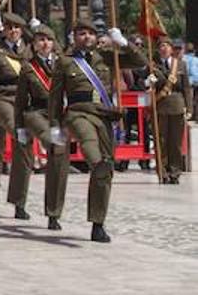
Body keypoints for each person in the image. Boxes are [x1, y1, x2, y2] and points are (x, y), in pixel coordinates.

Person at [48, 20, 146, 243]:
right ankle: (94, 162)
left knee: (106, 168)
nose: (87, 37)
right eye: (82, 34)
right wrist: (54, 126)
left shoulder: (106, 57)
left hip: (103, 115)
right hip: (77, 112)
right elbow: (55, 96)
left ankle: (98, 223)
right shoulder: (65, 61)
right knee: (90, 146)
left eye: (91, 34)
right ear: (74, 37)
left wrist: (123, 43)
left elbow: (140, 61)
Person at [13, 24, 68, 228]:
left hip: (58, 114)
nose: (45, 44)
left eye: (48, 40)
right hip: (36, 112)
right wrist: (19, 126)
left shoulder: (63, 63)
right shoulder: (28, 67)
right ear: (34, 45)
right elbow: (20, 99)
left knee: (60, 156)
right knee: (53, 143)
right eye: (40, 40)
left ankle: (53, 213)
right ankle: (19, 201)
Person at [0, 11, 31, 212]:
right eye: (9, 28)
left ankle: (19, 201)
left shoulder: (29, 51)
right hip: (1, 99)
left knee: (21, 146)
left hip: (24, 100)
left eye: (17, 28)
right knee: (4, 143)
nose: (13, 31)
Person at [148, 37, 191, 185]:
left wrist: (189, 107)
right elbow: (144, 83)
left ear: (172, 49)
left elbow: (186, 87)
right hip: (160, 107)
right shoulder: (153, 65)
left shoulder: (181, 65)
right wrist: (149, 81)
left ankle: (175, 172)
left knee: (176, 142)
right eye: (161, 46)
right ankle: (163, 172)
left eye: (166, 45)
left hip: (177, 106)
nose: (164, 48)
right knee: (161, 142)